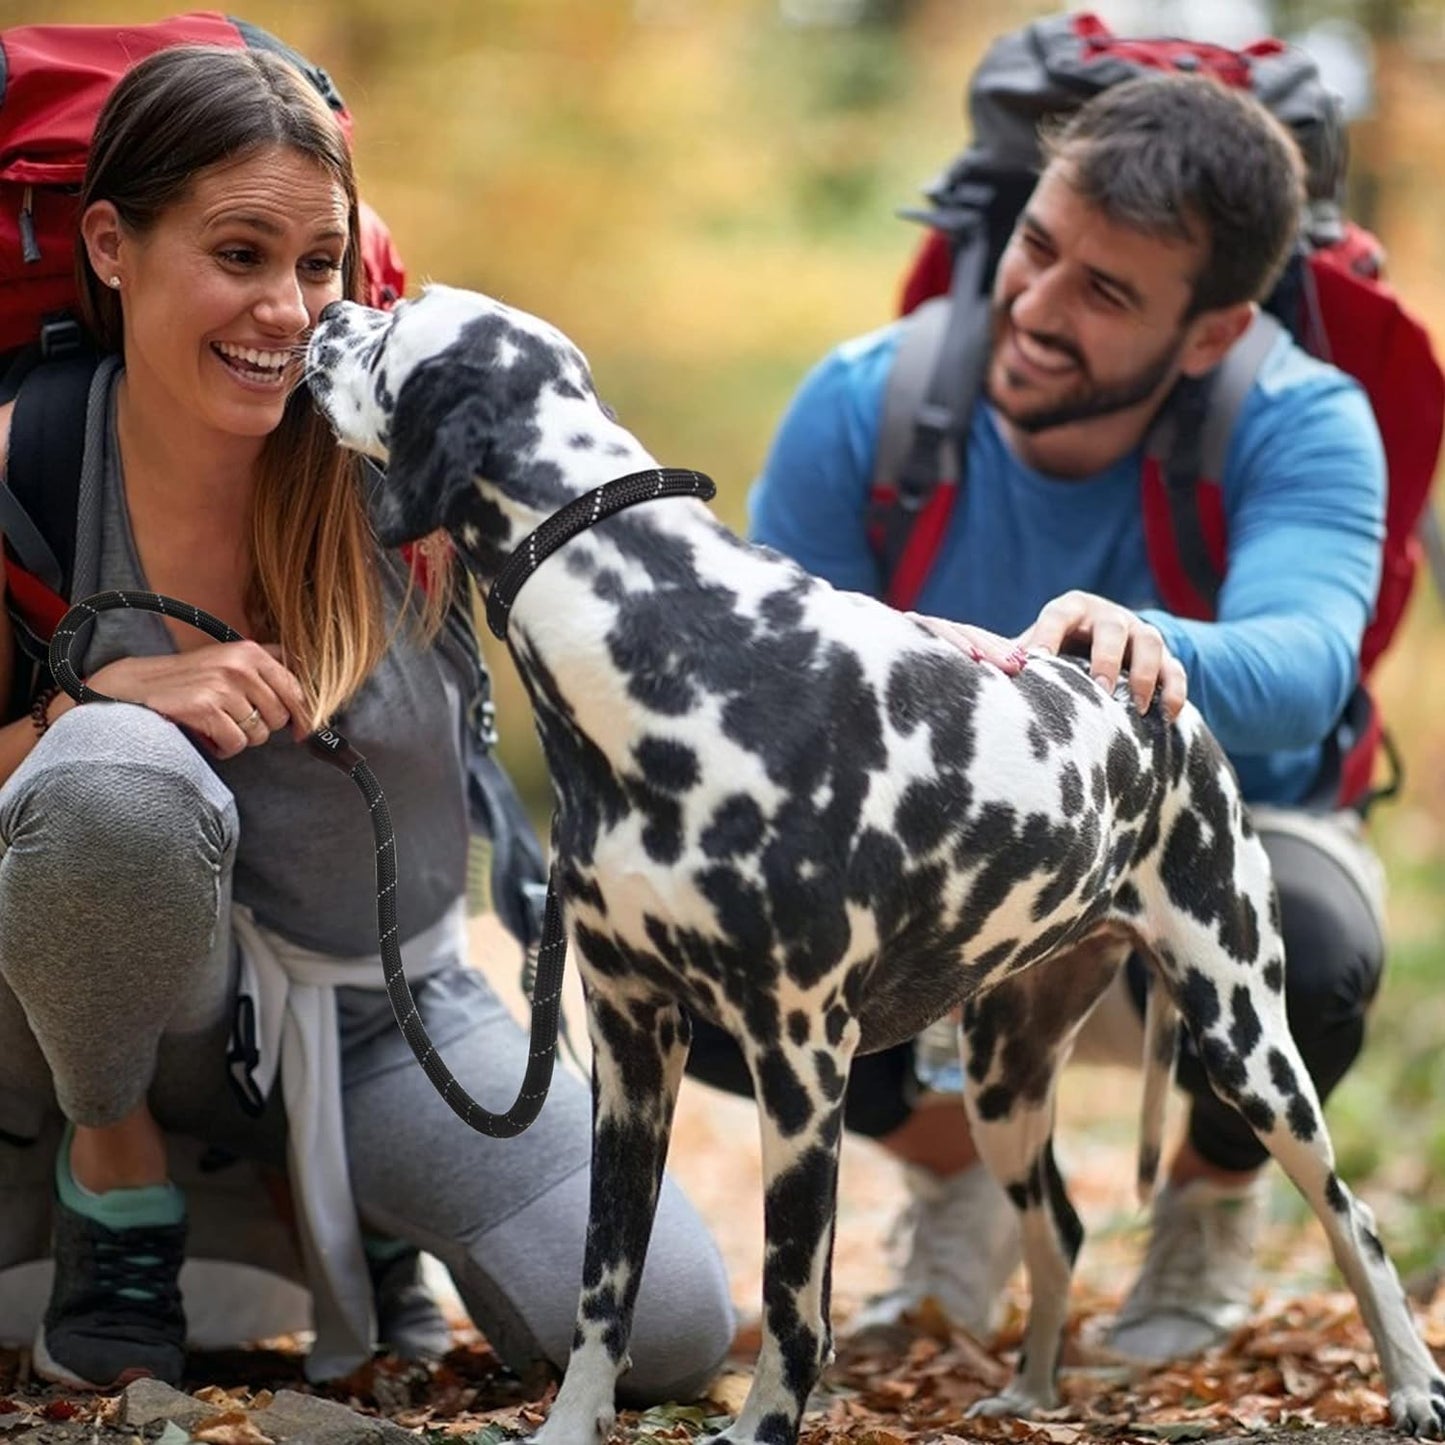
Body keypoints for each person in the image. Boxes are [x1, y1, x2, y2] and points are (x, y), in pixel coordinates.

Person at [0, 44, 734, 1395]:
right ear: (110, 243)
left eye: (320, 263)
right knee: (112, 774)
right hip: (84, 1029)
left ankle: (352, 1208)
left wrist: (947, 657)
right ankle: (115, 1193)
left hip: (379, 1014)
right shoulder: (27, 459)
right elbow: (68, 793)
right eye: (237, 252)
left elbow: (680, 598)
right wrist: (72, 703)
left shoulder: (413, 457)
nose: (285, 311)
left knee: (668, 1331)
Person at [687, 71, 1388, 1362]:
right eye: (1037, 249)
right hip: (951, 873)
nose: (1036, 308)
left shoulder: (1302, 419)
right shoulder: (867, 403)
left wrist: (1151, 650)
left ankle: (1205, 1207)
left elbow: (1306, 665)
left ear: (1207, 334)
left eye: (1106, 292)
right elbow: (764, 677)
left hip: (1215, 851)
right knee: (696, 948)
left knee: (1321, 944)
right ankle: (965, 1183)